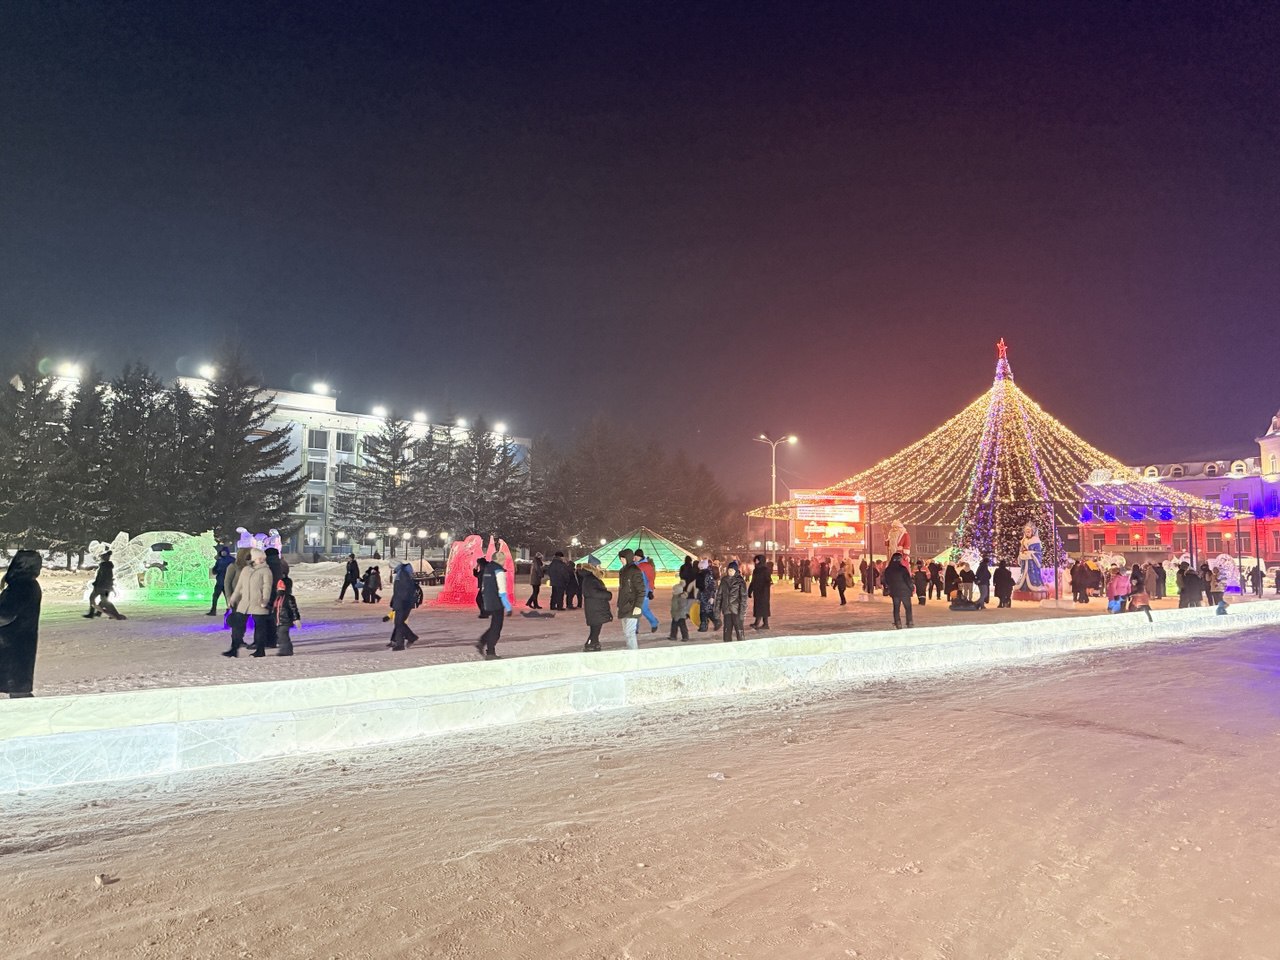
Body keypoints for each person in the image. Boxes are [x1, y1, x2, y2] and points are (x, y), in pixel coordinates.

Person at [0, 550, 43, 698]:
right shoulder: (26, 585)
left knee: (18, 691)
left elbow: (5, 614)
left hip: (12, 644)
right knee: (18, 690)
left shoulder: (22, 586)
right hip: (18, 644)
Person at [223, 547, 273, 658]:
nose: (261, 560)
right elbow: (239, 586)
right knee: (238, 625)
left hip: (258, 602)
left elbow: (267, 587)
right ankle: (234, 649)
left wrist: (265, 600)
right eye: (259, 558)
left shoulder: (266, 571)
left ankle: (260, 650)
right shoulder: (246, 570)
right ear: (253, 558)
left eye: (263, 558)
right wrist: (232, 598)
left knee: (260, 627)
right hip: (244, 602)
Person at [476, 552, 513, 660]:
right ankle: (490, 651)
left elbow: (483, 586)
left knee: (494, 625)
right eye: (503, 559)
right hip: (497, 602)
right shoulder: (498, 570)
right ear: (500, 559)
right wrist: (508, 607)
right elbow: (502, 591)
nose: (504, 561)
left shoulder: (488, 568)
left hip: (488, 600)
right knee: (496, 628)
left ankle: (482, 642)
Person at [578, 557, 613, 651]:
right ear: (593, 567)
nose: (600, 568)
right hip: (595, 608)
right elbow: (593, 592)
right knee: (595, 629)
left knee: (596, 628)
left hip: (596, 607)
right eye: (598, 566)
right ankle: (590, 644)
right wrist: (607, 594)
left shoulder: (591, 578)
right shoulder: (590, 578)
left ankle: (595, 643)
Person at [616, 548, 647, 650]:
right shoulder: (623, 571)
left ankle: (633, 653)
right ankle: (631, 651)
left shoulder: (634, 571)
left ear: (627, 558)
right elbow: (622, 590)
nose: (621, 560)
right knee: (626, 632)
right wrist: (619, 605)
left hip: (632, 605)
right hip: (624, 605)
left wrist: (638, 605)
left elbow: (641, 590)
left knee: (630, 632)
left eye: (622, 558)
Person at [85, 549, 126, 620]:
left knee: (102, 601)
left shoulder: (106, 567)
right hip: (100, 586)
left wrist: (109, 586)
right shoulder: (104, 566)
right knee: (98, 600)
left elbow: (106, 578)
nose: (102, 558)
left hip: (102, 587)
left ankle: (115, 615)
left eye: (103, 557)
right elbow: (101, 577)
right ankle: (95, 613)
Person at [389, 563, 420, 651]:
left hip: (402, 603)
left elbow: (403, 592)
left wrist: (399, 603)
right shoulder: (404, 574)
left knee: (399, 623)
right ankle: (405, 640)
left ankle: (403, 642)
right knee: (399, 623)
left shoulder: (402, 574)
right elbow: (399, 591)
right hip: (403, 603)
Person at [716, 560, 748, 642]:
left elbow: (743, 598)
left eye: (732, 570)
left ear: (736, 571)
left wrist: (742, 613)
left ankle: (741, 646)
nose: (730, 572)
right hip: (727, 610)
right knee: (727, 630)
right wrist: (717, 611)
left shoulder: (740, 582)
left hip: (736, 610)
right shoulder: (724, 580)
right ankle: (727, 645)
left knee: (739, 630)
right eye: (729, 570)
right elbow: (719, 597)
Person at [883, 552, 914, 628]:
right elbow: (908, 580)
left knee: (896, 608)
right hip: (905, 591)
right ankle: (909, 622)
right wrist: (911, 588)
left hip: (895, 592)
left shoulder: (888, 570)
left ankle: (898, 622)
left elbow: (885, 581)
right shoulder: (903, 569)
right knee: (908, 608)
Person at [274, 573, 302, 656]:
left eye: (281, 587)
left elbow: (294, 609)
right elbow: (275, 608)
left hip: (286, 620)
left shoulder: (289, 598)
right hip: (279, 621)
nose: (279, 589)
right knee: (280, 635)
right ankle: (287, 649)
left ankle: (286, 650)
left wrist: (296, 619)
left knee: (283, 635)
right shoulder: (278, 597)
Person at [633, 549, 660, 633]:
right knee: (635, 610)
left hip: (644, 591)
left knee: (644, 609)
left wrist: (650, 591)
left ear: (640, 556)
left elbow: (650, 579)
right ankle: (635, 628)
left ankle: (654, 622)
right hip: (635, 592)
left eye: (636, 556)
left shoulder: (646, 566)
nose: (635, 557)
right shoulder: (634, 565)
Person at [694, 559, 720, 633]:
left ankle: (714, 622)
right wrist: (698, 598)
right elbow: (699, 588)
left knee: (707, 611)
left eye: (702, 567)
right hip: (702, 596)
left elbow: (713, 586)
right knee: (704, 612)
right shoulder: (700, 575)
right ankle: (706, 625)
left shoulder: (709, 575)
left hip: (708, 596)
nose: (701, 569)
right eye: (700, 567)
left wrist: (712, 597)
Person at [208, 545, 234, 616]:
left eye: (224, 552)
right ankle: (214, 610)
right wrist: (215, 570)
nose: (223, 553)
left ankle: (230, 610)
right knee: (216, 596)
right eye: (222, 552)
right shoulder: (220, 560)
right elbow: (215, 569)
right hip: (220, 581)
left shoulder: (230, 560)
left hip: (226, 582)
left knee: (227, 597)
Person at [748, 554, 772, 629]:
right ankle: (757, 622)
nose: (756, 561)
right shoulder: (756, 570)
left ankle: (765, 624)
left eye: (757, 560)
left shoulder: (765, 570)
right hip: (757, 591)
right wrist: (750, 590)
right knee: (758, 607)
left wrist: (765, 588)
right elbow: (753, 581)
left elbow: (768, 581)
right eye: (755, 560)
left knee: (763, 607)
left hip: (763, 592)